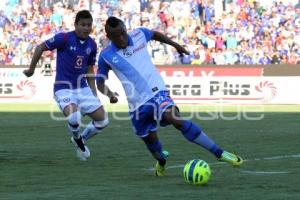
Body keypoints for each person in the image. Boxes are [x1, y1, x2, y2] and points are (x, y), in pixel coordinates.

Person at [96, 16, 243, 176]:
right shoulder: (106, 55)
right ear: (109, 37)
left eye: (123, 33)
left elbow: (154, 34)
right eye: (116, 37)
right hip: (137, 106)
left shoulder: (139, 34)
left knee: (175, 119)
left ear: (125, 29)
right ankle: (161, 161)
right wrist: (110, 95)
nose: (121, 38)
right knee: (152, 143)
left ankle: (219, 153)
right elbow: (100, 82)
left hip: (158, 92)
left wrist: (175, 45)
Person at [23, 10, 109, 161]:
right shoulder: (64, 38)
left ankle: (80, 139)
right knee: (74, 117)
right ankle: (76, 137)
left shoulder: (92, 44)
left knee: (103, 121)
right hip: (63, 88)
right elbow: (40, 47)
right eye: (83, 24)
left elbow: (89, 69)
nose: (86, 28)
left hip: (83, 89)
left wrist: (93, 93)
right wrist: (31, 69)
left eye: (89, 25)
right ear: (75, 25)